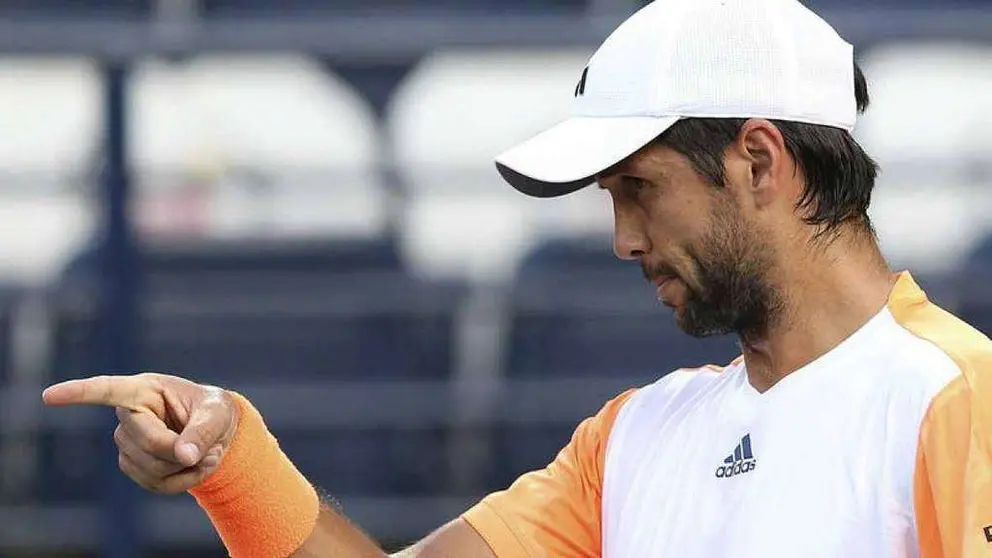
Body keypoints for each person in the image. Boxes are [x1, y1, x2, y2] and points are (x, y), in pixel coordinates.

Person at [42, 0, 992, 556]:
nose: (622, 239)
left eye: (639, 190)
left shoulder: (956, 400)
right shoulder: (631, 437)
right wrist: (230, 460)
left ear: (759, 162)